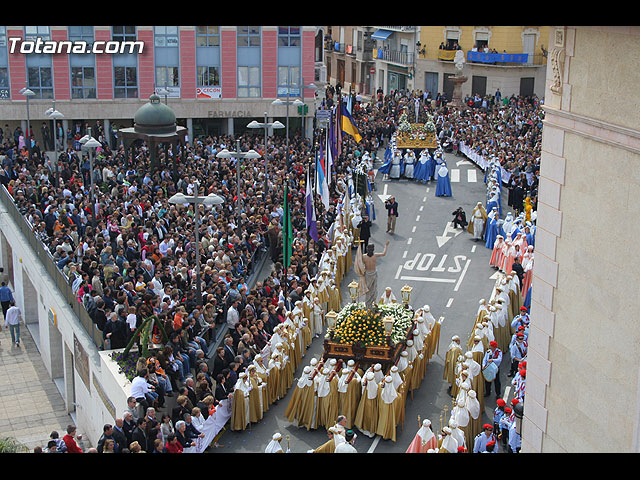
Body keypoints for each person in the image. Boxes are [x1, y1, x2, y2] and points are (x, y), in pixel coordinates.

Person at [360, 241, 389, 307]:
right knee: (368, 290)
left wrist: (386, 246)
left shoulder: (375, 255)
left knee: (374, 289)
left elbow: (383, 254)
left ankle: (374, 301)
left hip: (374, 273)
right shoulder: (363, 256)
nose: (370, 250)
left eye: (371, 249)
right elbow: (359, 263)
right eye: (369, 249)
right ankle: (367, 304)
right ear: (367, 249)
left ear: (373, 249)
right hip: (367, 274)